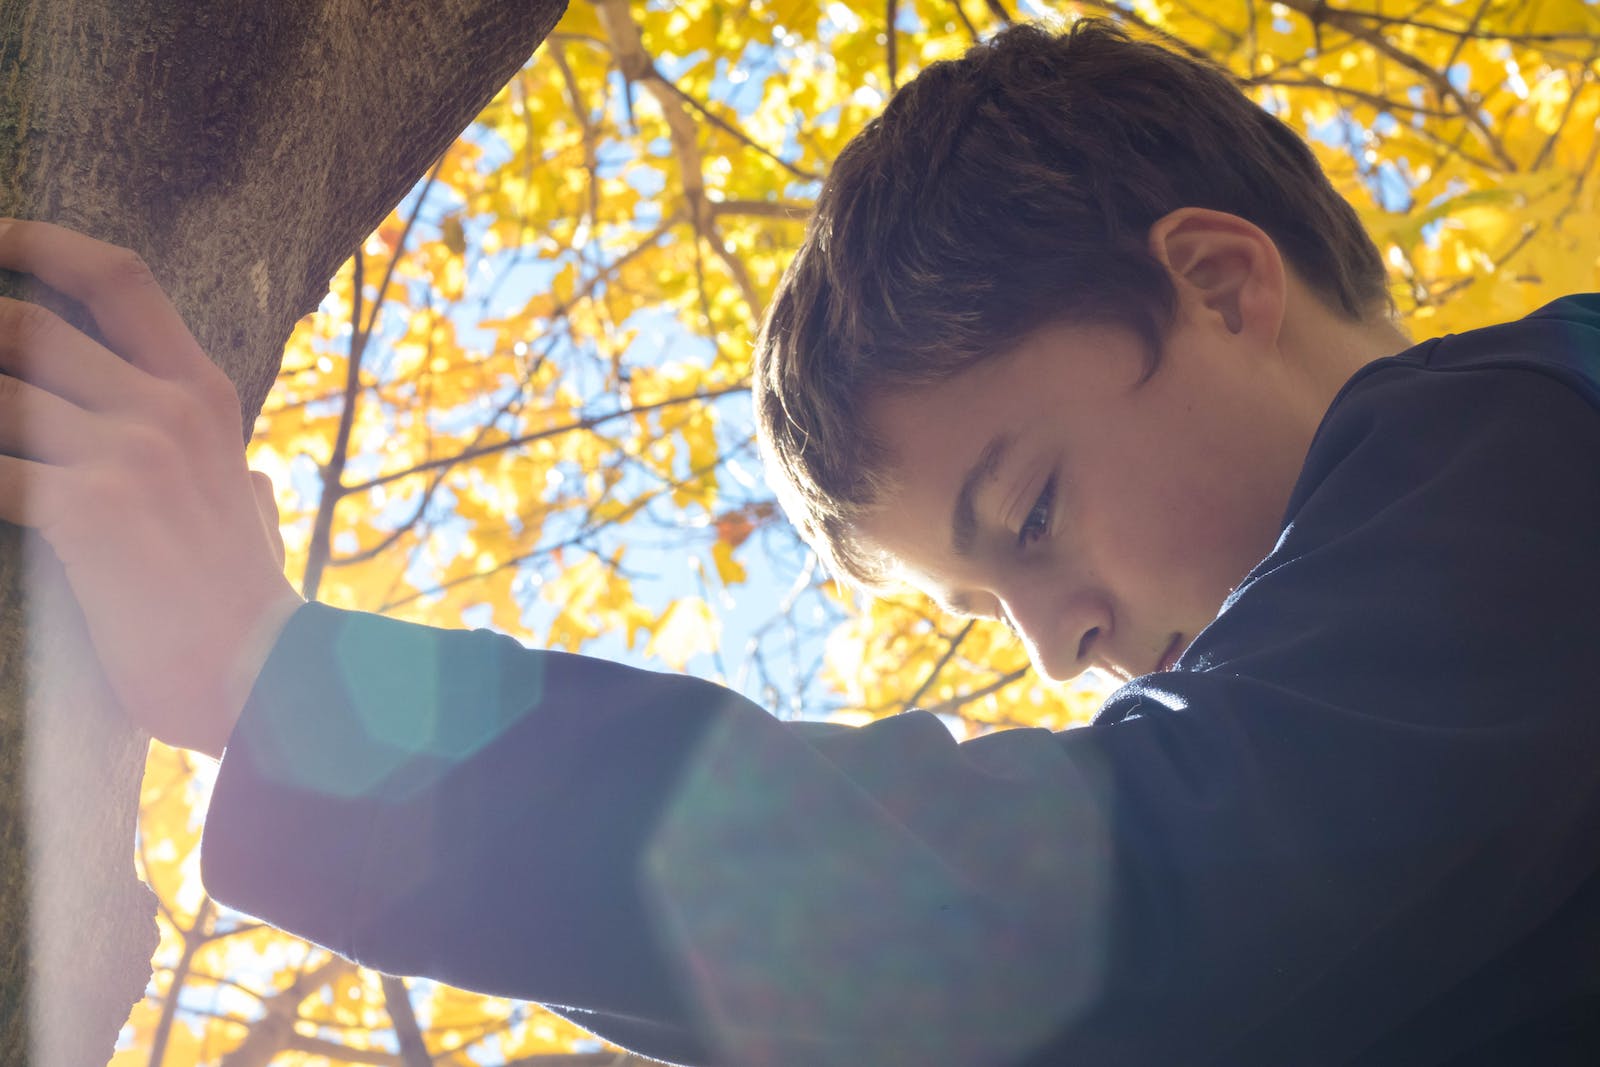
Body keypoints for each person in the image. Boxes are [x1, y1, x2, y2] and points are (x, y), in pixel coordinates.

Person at [2, 17, 1597, 1066]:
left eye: (1031, 514)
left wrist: (280, 687)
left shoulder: (1540, 431)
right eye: (996, 603)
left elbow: (1106, 902)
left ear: (1224, 283)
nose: (1063, 650)